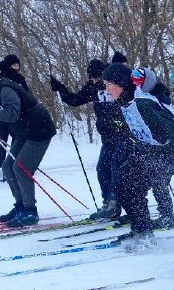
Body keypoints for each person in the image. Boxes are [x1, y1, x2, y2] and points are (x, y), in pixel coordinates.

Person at [101, 63, 174, 250]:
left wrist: (173, 159)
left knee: (131, 186)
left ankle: (147, 230)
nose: (106, 90)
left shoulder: (143, 104)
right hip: (143, 151)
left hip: (161, 154)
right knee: (122, 186)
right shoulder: (125, 102)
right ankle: (141, 230)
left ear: (121, 83)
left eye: (109, 85)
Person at [0, 60, 56, 227]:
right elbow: (5, 114)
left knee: (21, 169)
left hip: (38, 130)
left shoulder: (4, 89)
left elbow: (12, 114)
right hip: (24, 130)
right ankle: (20, 207)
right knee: (8, 167)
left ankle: (30, 211)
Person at [51, 58, 129, 220]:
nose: (95, 81)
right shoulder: (92, 87)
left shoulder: (115, 85)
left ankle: (116, 202)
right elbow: (74, 100)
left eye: (97, 78)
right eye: (92, 78)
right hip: (107, 136)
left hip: (123, 134)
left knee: (116, 167)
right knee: (102, 168)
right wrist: (60, 89)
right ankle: (108, 201)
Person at [0, 54, 29, 183]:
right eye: (14, 65)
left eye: (18, 65)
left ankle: (11, 167)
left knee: (17, 141)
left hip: (16, 116)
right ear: (8, 65)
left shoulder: (19, 79)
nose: (16, 68)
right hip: (0, 114)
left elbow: (26, 95)